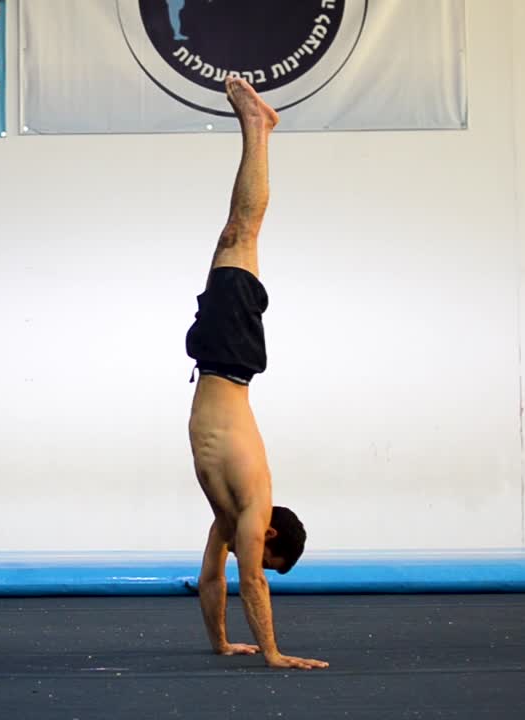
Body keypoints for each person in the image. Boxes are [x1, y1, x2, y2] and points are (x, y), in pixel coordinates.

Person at [184, 77, 328, 671]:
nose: (255, 558)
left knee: (235, 234)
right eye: (264, 556)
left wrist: (222, 643)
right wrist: (272, 652)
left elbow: (210, 579)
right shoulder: (253, 509)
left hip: (222, 360)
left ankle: (257, 129)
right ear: (270, 536)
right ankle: (258, 127)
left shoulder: (229, 512)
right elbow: (251, 583)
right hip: (230, 360)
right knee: (241, 233)